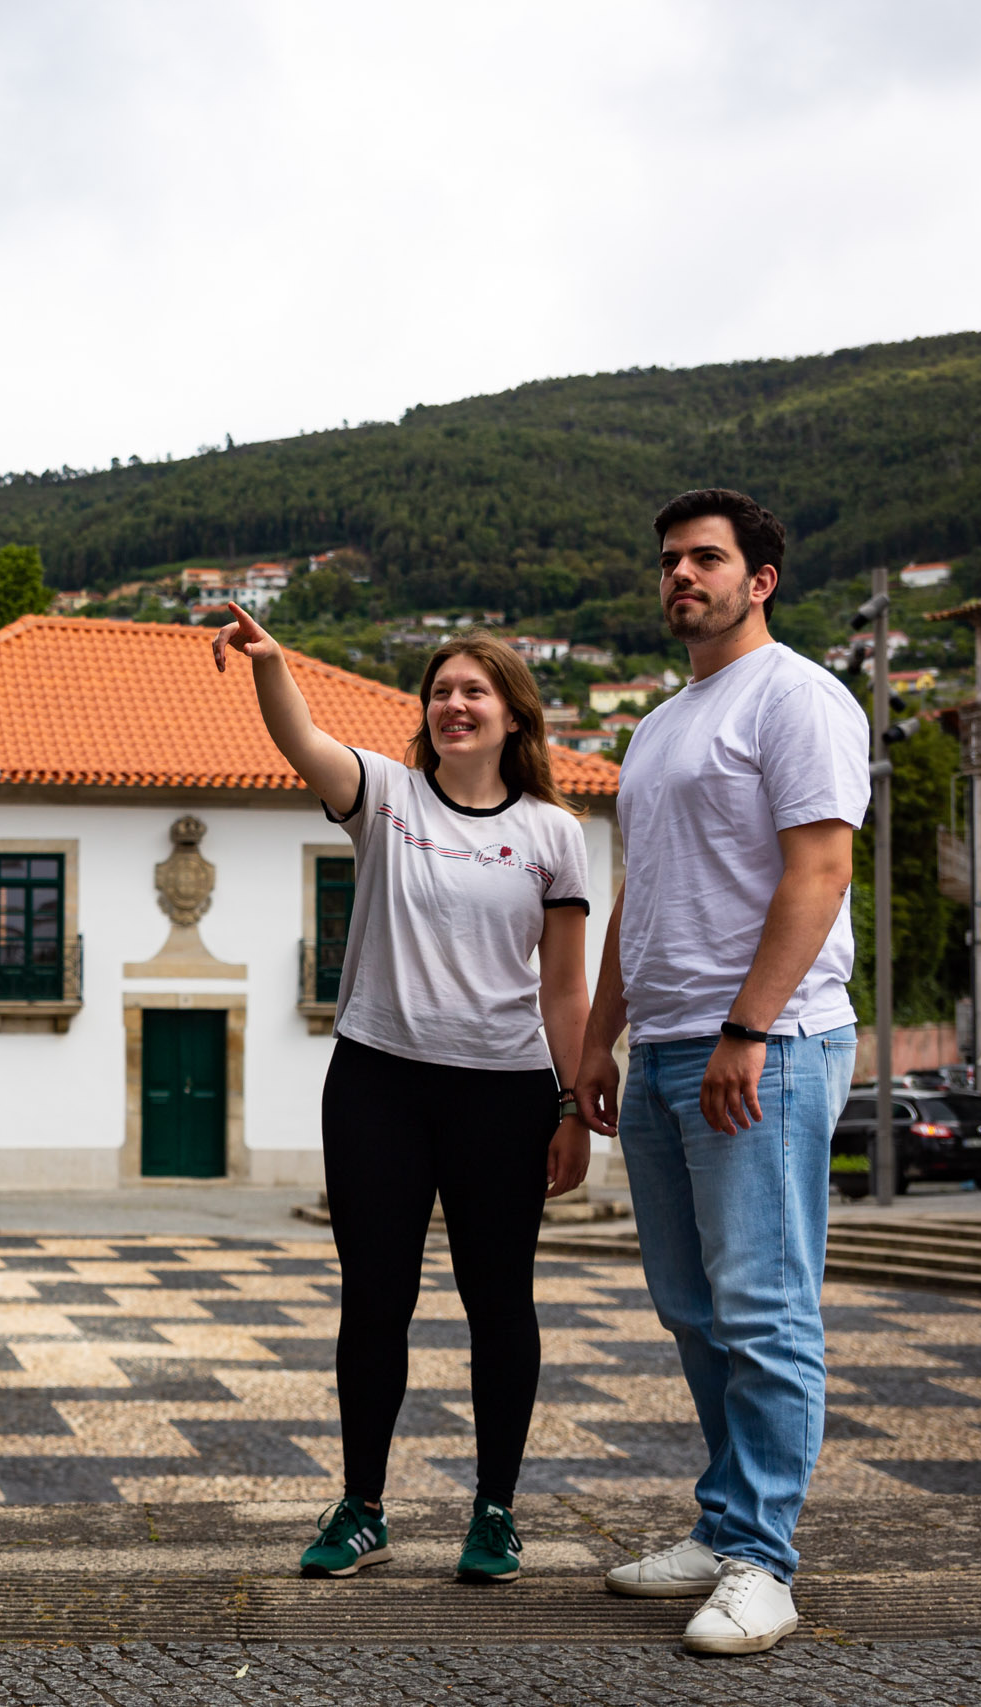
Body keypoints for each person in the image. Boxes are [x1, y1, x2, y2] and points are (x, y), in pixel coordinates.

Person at [213, 609, 593, 1586]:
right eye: (441, 691)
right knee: (373, 1298)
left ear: (514, 713)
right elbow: (299, 739)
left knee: (497, 1301)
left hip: (504, 1094)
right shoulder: (383, 793)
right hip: (378, 1082)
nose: (455, 704)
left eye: (475, 691)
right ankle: (364, 1507)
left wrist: (570, 1100)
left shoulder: (554, 833)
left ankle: (495, 1511)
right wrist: (272, 664)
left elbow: (561, 985)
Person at [576, 488, 867, 1657]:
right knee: (692, 1308)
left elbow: (820, 872)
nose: (680, 577)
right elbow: (635, 902)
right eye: (669, 562)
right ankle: (725, 1520)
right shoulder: (657, 727)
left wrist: (747, 1029)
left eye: (705, 559)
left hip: (768, 1045)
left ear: (760, 579)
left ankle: (762, 1561)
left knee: (763, 1305)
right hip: (662, 1049)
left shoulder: (799, 697)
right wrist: (600, 1039)